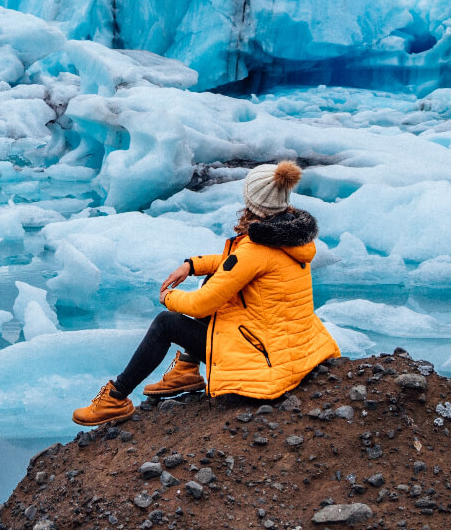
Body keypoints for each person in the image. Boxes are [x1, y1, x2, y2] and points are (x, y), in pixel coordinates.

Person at [72, 160, 340, 427]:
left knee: (166, 323)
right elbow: (237, 264)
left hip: (264, 360)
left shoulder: (255, 250)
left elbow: (202, 304)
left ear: (253, 201)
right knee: (215, 278)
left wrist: (167, 297)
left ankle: (115, 398)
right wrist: (193, 265)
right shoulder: (290, 236)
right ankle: (187, 369)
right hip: (287, 347)